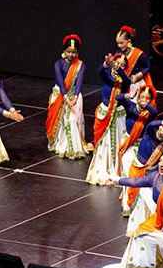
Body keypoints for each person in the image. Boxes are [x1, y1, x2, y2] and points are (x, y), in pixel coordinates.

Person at [122, 115, 163, 232]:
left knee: (148, 201)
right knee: (135, 198)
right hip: (136, 169)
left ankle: (148, 223)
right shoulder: (149, 133)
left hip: (151, 175)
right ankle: (137, 219)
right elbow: (150, 124)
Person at [86, 53, 128, 185]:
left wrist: (115, 66)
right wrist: (106, 64)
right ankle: (104, 170)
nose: (119, 66)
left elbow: (127, 81)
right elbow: (101, 71)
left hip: (118, 115)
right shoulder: (107, 76)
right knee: (105, 143)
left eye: (122, 65)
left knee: (119, 142)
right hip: (105, 114)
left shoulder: (125, 79)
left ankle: (117, 172)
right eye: (117, 63)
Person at [47, 35, 88, 159]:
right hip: (60, 94)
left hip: (74, 95)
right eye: (68, 52)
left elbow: (79, 83)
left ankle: (73, 149)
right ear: (64, 51)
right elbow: (60, 81)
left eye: (74, 52)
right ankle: (61, 144)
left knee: (72, 120)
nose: (71, 55)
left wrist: (74, 98)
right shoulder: (58, 64)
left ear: (78, 53)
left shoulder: (81, 65)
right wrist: (66, 98)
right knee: (60, 123)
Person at [114, 26, 151, 98]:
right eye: (118, 43)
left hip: (135, 85)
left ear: (129, 41)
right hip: (122, 86)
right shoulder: (118, 53)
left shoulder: (138, 54)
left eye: (121, 43)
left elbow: (147, 67)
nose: (119, 46)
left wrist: (138, 75)